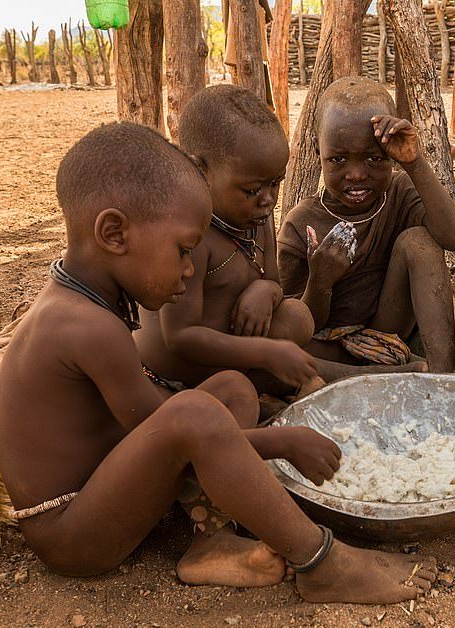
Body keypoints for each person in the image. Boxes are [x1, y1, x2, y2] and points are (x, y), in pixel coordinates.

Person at [0, 121, 436, 601]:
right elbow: (179, 427)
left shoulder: (86, 301)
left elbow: (157, 425)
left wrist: (256, 423)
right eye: (183, 251)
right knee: (197, 412)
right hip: (73, 532)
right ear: (114, 233)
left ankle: (206, 541)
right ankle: (321, 562)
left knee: (231, 389)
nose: (188, 269)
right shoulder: (84, 326)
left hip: (108, 480)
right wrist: (281, 441)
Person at [135, 85, 323, 399]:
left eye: (276, 183)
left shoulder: (255, 219)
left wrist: (266, 289)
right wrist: (263, 353)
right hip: (175, 377)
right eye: (251, 189)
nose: (268, 200)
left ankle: (271, 386)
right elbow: (179, 337)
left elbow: (276, 284)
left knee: (296, 318)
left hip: (231, 356)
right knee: (294, 372)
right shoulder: (190, 236)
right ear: (200, 171)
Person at [278, 76, 455, 373]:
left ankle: (443, 377)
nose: (356, 174)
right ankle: (377, 374)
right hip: (326, 346)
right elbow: (294, 327)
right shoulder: (302, 224)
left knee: (419, 242)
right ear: (318, 150)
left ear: (390, 153)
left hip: (387, 331)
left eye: (374, 159)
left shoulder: (400, 191)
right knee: (285, 355)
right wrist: (321, 281)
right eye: (338, 159)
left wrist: (413, 163)